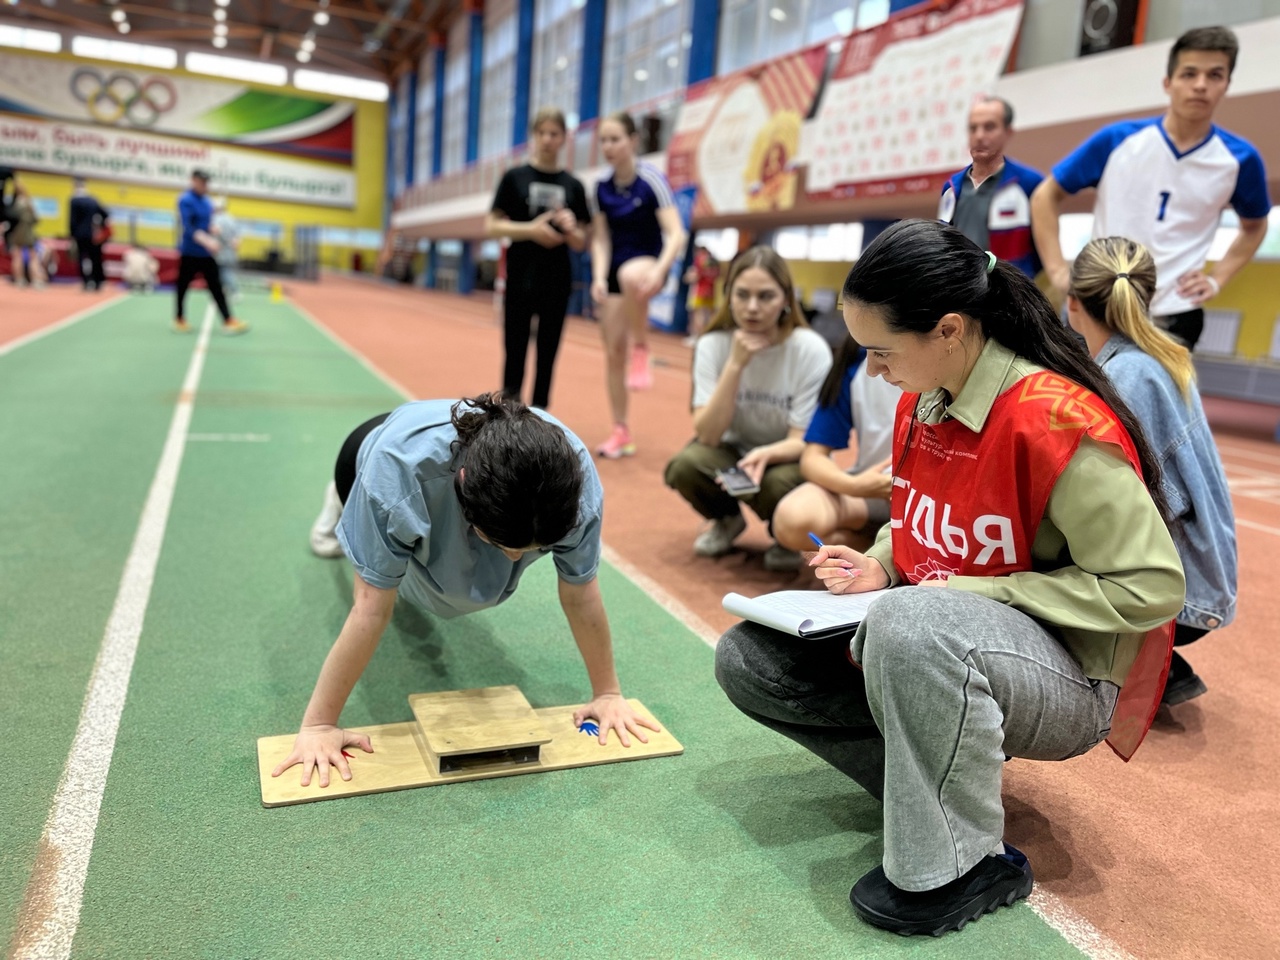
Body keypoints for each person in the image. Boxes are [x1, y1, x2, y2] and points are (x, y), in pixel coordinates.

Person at [715, 219, 1184, 936]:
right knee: (749, 659)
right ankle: (938, 792)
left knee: (909, 622)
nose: (873, 370)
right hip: (944, 636)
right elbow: (920, 512)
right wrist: (880, 561)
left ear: (949, 330)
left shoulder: (1056, 422)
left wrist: (977, 591)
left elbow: (1151, 588)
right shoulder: (924, 396)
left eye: (881, 351)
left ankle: (966, 865)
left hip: (1069, 681)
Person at [283, 393, 659, 786]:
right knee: (404, 581)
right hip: (364, 459)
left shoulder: (576, 484)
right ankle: (340, 502)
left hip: (467, 464)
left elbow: (581, 594)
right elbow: (370, 608)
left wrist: (608, 694)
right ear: (464, 486)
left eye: (531, 549)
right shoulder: (394, 479)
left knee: (466, 591)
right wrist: (319, 726)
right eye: (501, 544)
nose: (514, 559)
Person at [1067, 236, 1236, 706]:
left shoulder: (1123, 379)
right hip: (1199, 577)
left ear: (1072, 302)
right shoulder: (1158, 359)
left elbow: (1114, 515)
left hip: (1181, 596)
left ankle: (1145, 661)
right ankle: (1154, 663)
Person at [1032, 26, 1271, 350]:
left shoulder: (1240, 159)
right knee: (1077, 385)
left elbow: (1255, 226)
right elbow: (1045, 196)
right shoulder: (1117, 140)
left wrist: (1217, 278)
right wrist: (1058, 271)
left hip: (1174, 314)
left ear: (1227, 84)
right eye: (1189, 74)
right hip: (1099, 303)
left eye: (1215, 75)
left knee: (1148, 387)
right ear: (1168, 82)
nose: (1201, 85)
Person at [663, 247, 831, 571]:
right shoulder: (712, 344)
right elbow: (708, 435)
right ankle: (727, 520)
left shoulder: (809, 350)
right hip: (730, 453)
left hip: (786, 458)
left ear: (786, 299)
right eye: (742, 295)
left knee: (778, 484)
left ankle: (786, 536)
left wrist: (766, 454)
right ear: (729, 296)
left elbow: (803, 440)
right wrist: (736, 365)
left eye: (765, 296)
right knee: (686, 465)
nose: (752, 307)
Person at [590, 111, 687, 458]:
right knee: (613, 351)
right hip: (614, 271)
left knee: (631, 276)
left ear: (633, 141)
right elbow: (601, 239)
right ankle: (621, 430)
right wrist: (598, 276)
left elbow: (676, 234)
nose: (608, 146)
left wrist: (660, 271)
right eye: (604, 140)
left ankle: (642, 346)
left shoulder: (651, 181)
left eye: (615, 139)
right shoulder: (600, 188)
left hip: (647, 265)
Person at [485, 106, 591, 410]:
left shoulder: (573, 185)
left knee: (548, 355)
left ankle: (541, 417)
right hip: (520, 278)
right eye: (542, 133)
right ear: (533, 135)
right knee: (514, 351)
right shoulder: (514, 177)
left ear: (564, 138)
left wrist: (570, 229)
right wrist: (530, 230)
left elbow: (582, 241)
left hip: (557, 281)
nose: (547, 139)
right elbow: (491, 225)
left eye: (554, 133)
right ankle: (508, 417)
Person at [771, 337, 902, 553]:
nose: (873, 368)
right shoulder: (857, 361)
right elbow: (813, 457)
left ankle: (896, 554)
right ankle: (876, 553)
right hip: (878, 489)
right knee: (793, 519)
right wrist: (856, 486)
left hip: (937, 501)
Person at [939, 96, 1043, 278]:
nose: (979, 136)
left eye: (989, 127)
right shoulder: (950, 188)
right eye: (973, 128)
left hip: (1011, 289)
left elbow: (1042, 250)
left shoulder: (1030, 183)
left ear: (1008, 132)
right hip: (961, 288)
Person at [175, 170, 247, 335]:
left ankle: (228, 320)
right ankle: (179, 319)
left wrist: (219, 233)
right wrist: (207, 241)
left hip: (206, 254)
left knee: (216, 286)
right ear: (193, 181)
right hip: (190, 252)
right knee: (183, 286)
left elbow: (207, 224)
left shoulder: (207, 202)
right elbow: (189, 227)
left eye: (206, 182)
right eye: (202, 182)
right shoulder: (186, 200)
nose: (205, 185)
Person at [68, 177, 110, 292]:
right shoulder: (93, 200)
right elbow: (105, 214)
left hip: (80, 235)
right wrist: (100, 226)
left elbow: (72, 220)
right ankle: (98, 281)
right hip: (94, 235)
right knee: (95, 258)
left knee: (82, 258)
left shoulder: (74, 201)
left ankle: (86, 281)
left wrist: (71, 235)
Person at [6, 181, 47, 288]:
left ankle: (19, 280)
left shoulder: (13, 203)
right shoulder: (28, 203)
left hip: (16, 233)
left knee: (17, 256)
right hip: (28, 233)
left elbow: (9, 219)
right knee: (33, 257)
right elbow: (35, 219)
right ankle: (36, 280)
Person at [682, 245, 720, 343]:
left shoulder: (699, 259)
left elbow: (695, 275)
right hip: (711, 292)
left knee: (698, 315)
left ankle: (696, 336)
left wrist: (687, 278)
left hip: (699, 291)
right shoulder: (713, 260)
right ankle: (706, 336)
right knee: (709, 316)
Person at [211, 196, 242, 299]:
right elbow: (237, 237)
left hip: (221, 251)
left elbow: (216, 231)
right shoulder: (231, 218)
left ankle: (235, 292)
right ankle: (224, 292)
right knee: (225, 271)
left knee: (224, 272)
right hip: (230, 251)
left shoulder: (216, 219)